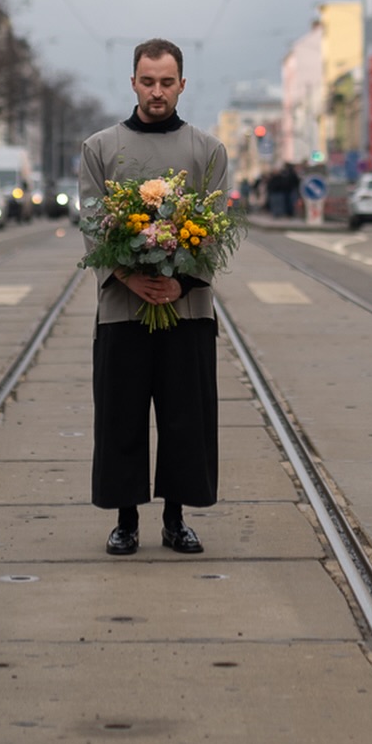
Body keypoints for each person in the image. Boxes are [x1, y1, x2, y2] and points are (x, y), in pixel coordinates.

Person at [80, 38, 230, 557]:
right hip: (123, 309)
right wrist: (129, 277)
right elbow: (94, 225)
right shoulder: (99, 148)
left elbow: (214, 231)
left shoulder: (207, 150)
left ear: (182, 84)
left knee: (184, 416)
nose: (157, 91)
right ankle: (125, 522)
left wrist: (179, 283)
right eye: (148, 81)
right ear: (133, 82)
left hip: (186, 309)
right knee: (121, 414)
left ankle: (175, 518)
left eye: (167, 82)